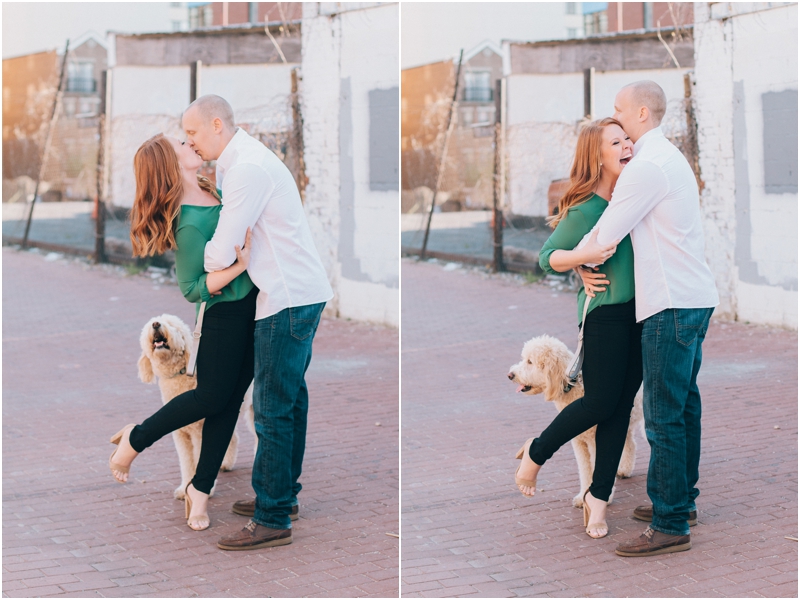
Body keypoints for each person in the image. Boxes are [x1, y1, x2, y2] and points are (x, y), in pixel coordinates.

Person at [181, 95, 333, 550]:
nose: (188, 142)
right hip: (297, 293)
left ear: (215, 125)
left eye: (191, 133)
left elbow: (220, 251)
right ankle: (282, 497)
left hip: (286, 299)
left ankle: (271, 518)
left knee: (272, 408)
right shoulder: (240, 162)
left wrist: (212, 258)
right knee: (290, 401)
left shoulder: (245, 169)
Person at [579, 81, 719, 557]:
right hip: (694, 297)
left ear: (640, 112)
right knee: (683, 407)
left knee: (662, 417)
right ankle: (683, 502)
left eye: (618, 111)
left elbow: (606, 236)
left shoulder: (646, 168)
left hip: (670, 304)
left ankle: (670, 523)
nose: (614, 117)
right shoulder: (669, 156)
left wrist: (570, 258)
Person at [109, 133, 255, 532]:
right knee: (209, 397)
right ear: (170, 166)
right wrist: (243, 266)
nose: (191, 144)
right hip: (223, 314)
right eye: (182, 145)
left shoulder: (213, 187)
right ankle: (136, 439)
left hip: (249, 311)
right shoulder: (188, 218)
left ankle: (199, 490)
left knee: (227, 405)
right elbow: (191, 287)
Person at [514, 117, 638, 539]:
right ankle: (537, 451)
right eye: (614, 142)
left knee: (619, 411)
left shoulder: (631, 196)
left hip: (641, 315)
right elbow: (547, 256)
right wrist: (580, 257)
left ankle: (597, 499)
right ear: (596, 156)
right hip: (604, 314)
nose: (625, 146)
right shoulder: (586, 207)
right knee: (600, 402)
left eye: (627, 139)